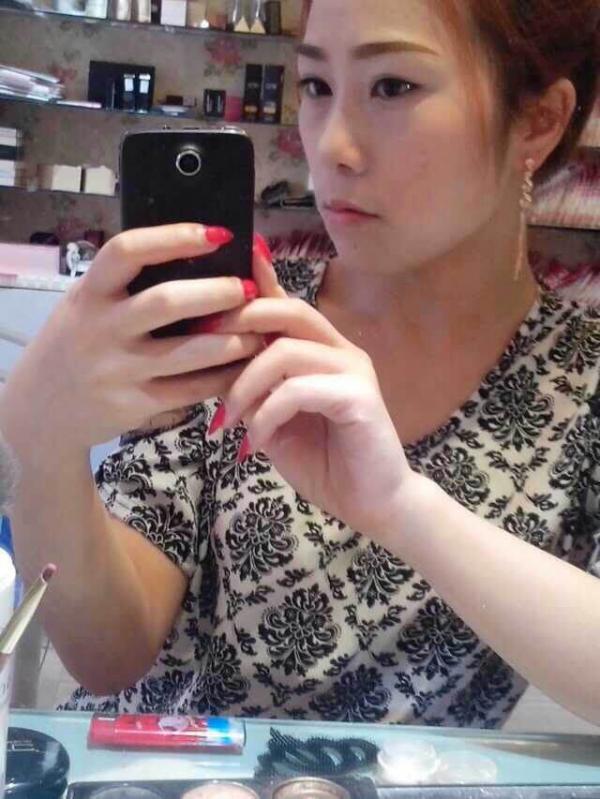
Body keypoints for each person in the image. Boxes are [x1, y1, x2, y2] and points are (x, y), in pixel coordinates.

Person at [1, 0, 599, 727]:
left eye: (392, 86)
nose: (331, 146)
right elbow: (107, 654)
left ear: (537, 120)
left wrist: (406, 510)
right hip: (165, 773)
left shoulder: (581, 377)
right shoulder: (243, 315)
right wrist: (37, 442)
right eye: (316, 86)